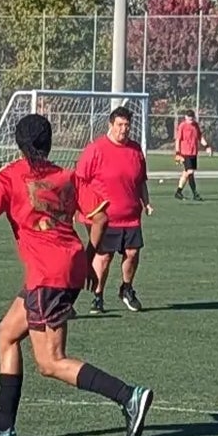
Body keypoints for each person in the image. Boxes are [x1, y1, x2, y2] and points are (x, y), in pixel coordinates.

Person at [0, 113, 154, 436]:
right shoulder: (67, 176)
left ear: (18, 144)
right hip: (67, 267)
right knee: (6, 333)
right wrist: (90, 258)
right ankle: (4, 426)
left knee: (51, 362)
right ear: (48, 144)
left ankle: (129, 396)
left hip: (48, 275)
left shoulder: (10, 176)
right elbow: (101, 218)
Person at [75, 105, 152, 313]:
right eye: (119, 125)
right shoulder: (95, 149)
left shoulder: (136, 150)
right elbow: (79, 180)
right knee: (105, 256)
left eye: (127, 125)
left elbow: (141, 181)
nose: (123, 129)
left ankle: (126, 288)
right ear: (111, 125)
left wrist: (147, 202)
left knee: (133, 253)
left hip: (131, 216)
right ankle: (98, 296)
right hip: (105, 218)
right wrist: (81, 208)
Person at [173, 108, 210, 200]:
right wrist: (177, 152)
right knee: (190, 172)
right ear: (185, 117)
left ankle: (178, 192)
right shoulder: (182, 126)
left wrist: (207, 146)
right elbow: (178, 140)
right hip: (185, 153)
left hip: (193, 153)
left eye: (192, 117)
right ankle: (195, 194)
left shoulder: (195, 125)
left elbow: (200, 137)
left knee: (186, 173)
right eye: (189, 117)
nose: (190, 119)